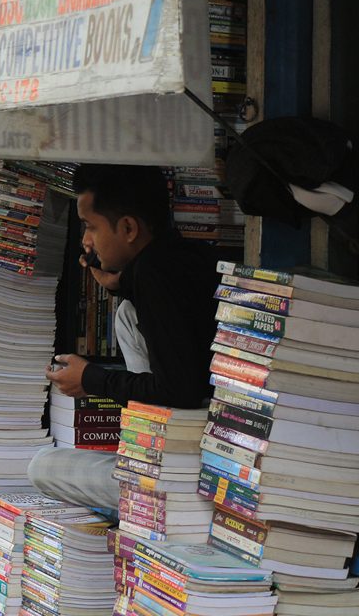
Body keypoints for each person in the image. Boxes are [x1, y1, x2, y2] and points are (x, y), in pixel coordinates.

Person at [31, 164, 222, 509]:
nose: (85, 241)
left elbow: (178, 390)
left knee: (42, 467)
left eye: (90, 226)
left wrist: (93, 379)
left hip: (187, 472)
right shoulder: (186, 257)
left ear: (128, 227)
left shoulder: (154, 275)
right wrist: (125, 284)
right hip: (194, 448)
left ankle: (145, 478)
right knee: (126, 313)